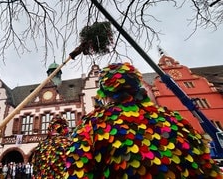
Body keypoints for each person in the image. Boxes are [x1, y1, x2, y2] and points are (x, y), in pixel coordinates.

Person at [65, 62, 222, 178]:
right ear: (138, 85)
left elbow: (77, 172)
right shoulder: (176, 121)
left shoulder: (92, 123)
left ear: (105, 92)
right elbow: (208, 169)